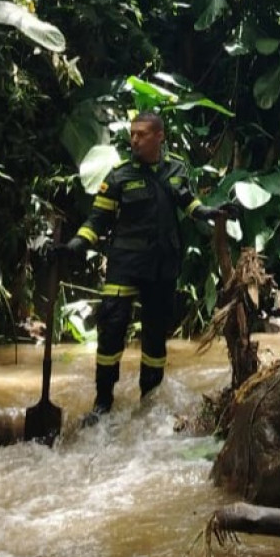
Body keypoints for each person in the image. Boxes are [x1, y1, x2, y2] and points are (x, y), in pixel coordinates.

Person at [58, 111, 237, 423]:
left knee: (155, 336)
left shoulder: (176, 169)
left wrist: (212, 211)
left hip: (162, 266)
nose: (135, 140)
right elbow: (97, 221)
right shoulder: (119, 175)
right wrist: (75, 245)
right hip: (125, 264)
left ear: (159, 137)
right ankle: (102, 402)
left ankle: (149, 403)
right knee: (112, 329)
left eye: (142, 134)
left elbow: (189, 204)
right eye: (133, 134)